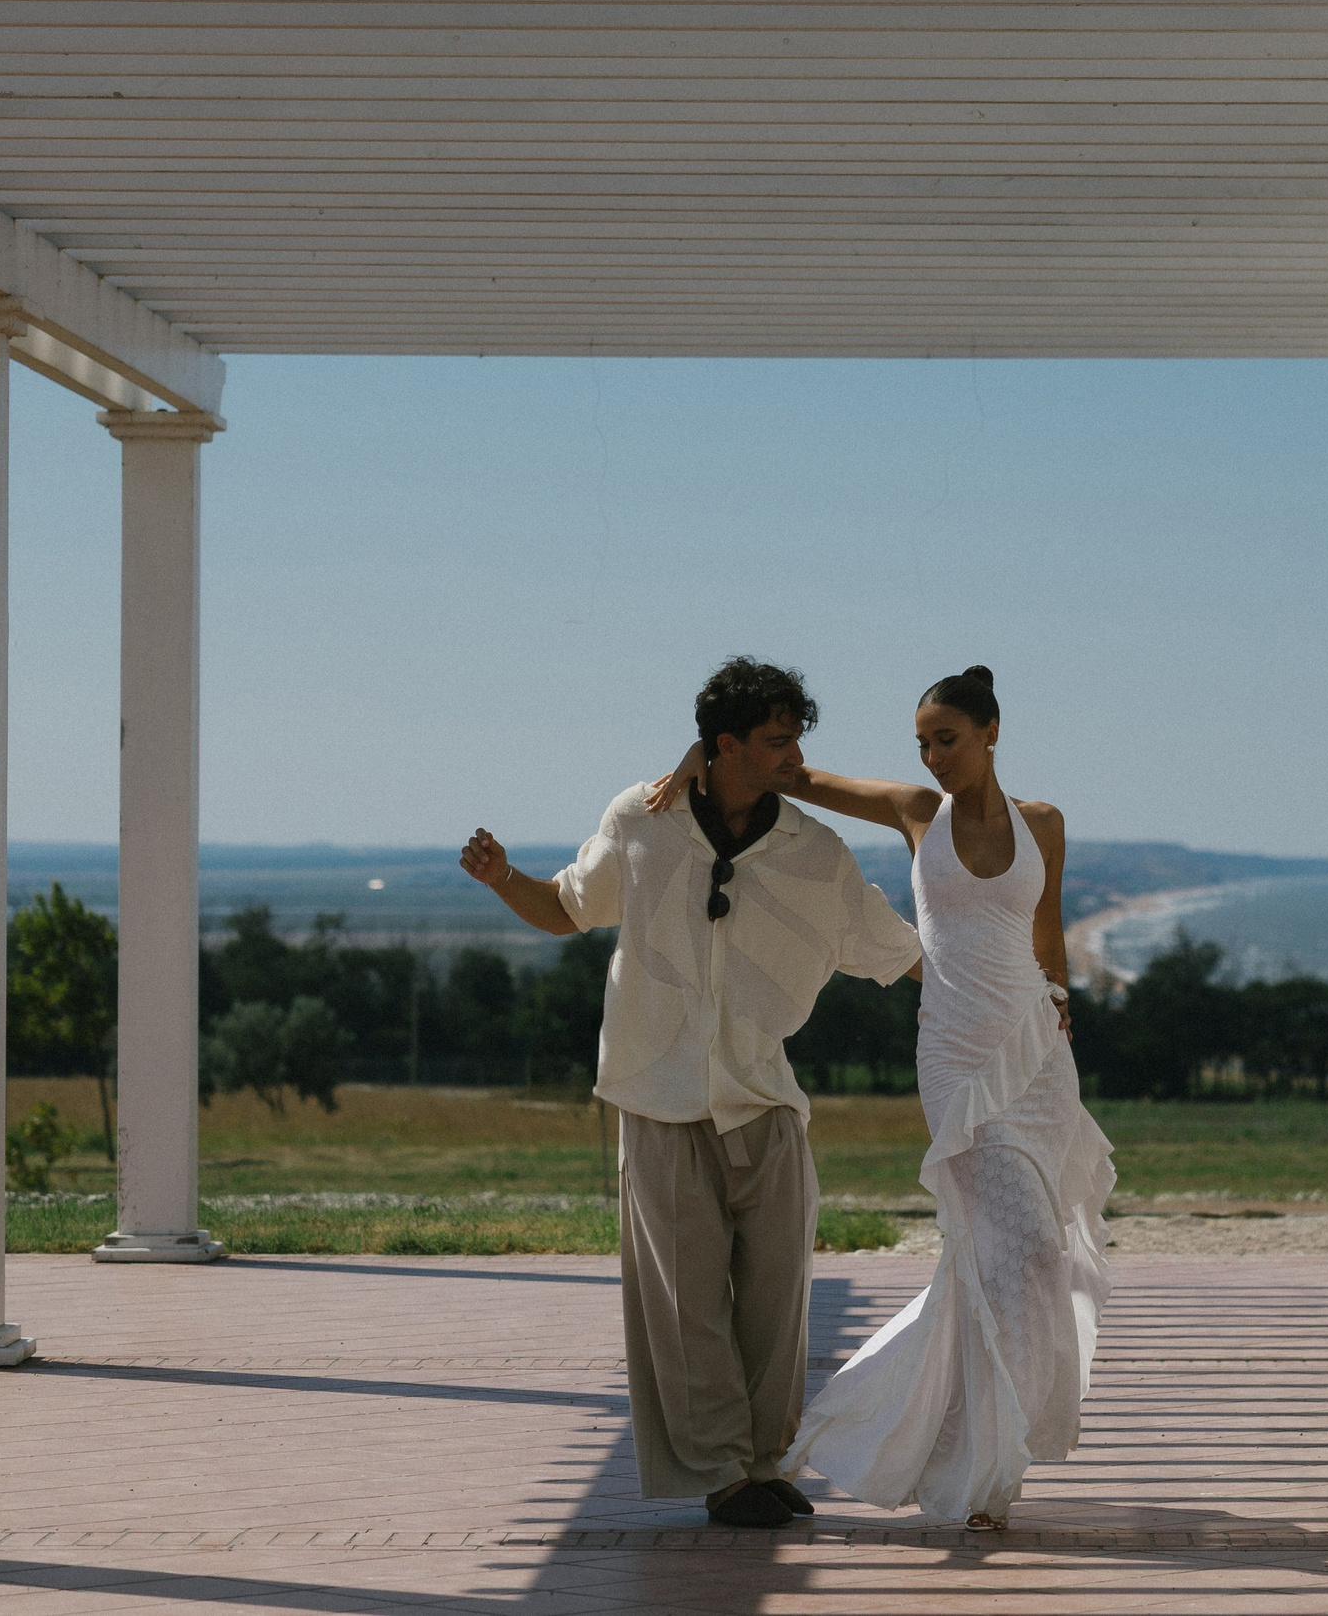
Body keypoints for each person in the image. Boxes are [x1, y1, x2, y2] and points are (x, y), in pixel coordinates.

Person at [647, 665, 1115, 1531]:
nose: (934, 757)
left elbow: (1046, 931)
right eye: (924, 743)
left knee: (1032, 1259)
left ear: (991, 733)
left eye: (949, 739)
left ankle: (984, 1453)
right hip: (956, 1057)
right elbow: (792, 776)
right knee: (1002, 1249)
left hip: (1035, 1056)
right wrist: (692, 759)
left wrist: (1060, 1005)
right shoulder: (916, 814)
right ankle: (978, 1465)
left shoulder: (1043, 824)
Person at [461, 656, 921, 1530]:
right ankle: (722, 1473)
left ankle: (765, 1460)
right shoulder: (641, 819)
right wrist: (502, 879)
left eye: (796, 739)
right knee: (687, 1304)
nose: (795, 758)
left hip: (765, 1102)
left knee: (779, 1302)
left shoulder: (816, 853)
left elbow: (899, 953)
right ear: (725, 744)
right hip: (659, 1096)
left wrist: (1018, 990)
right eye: (777, 741)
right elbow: (566, 907)